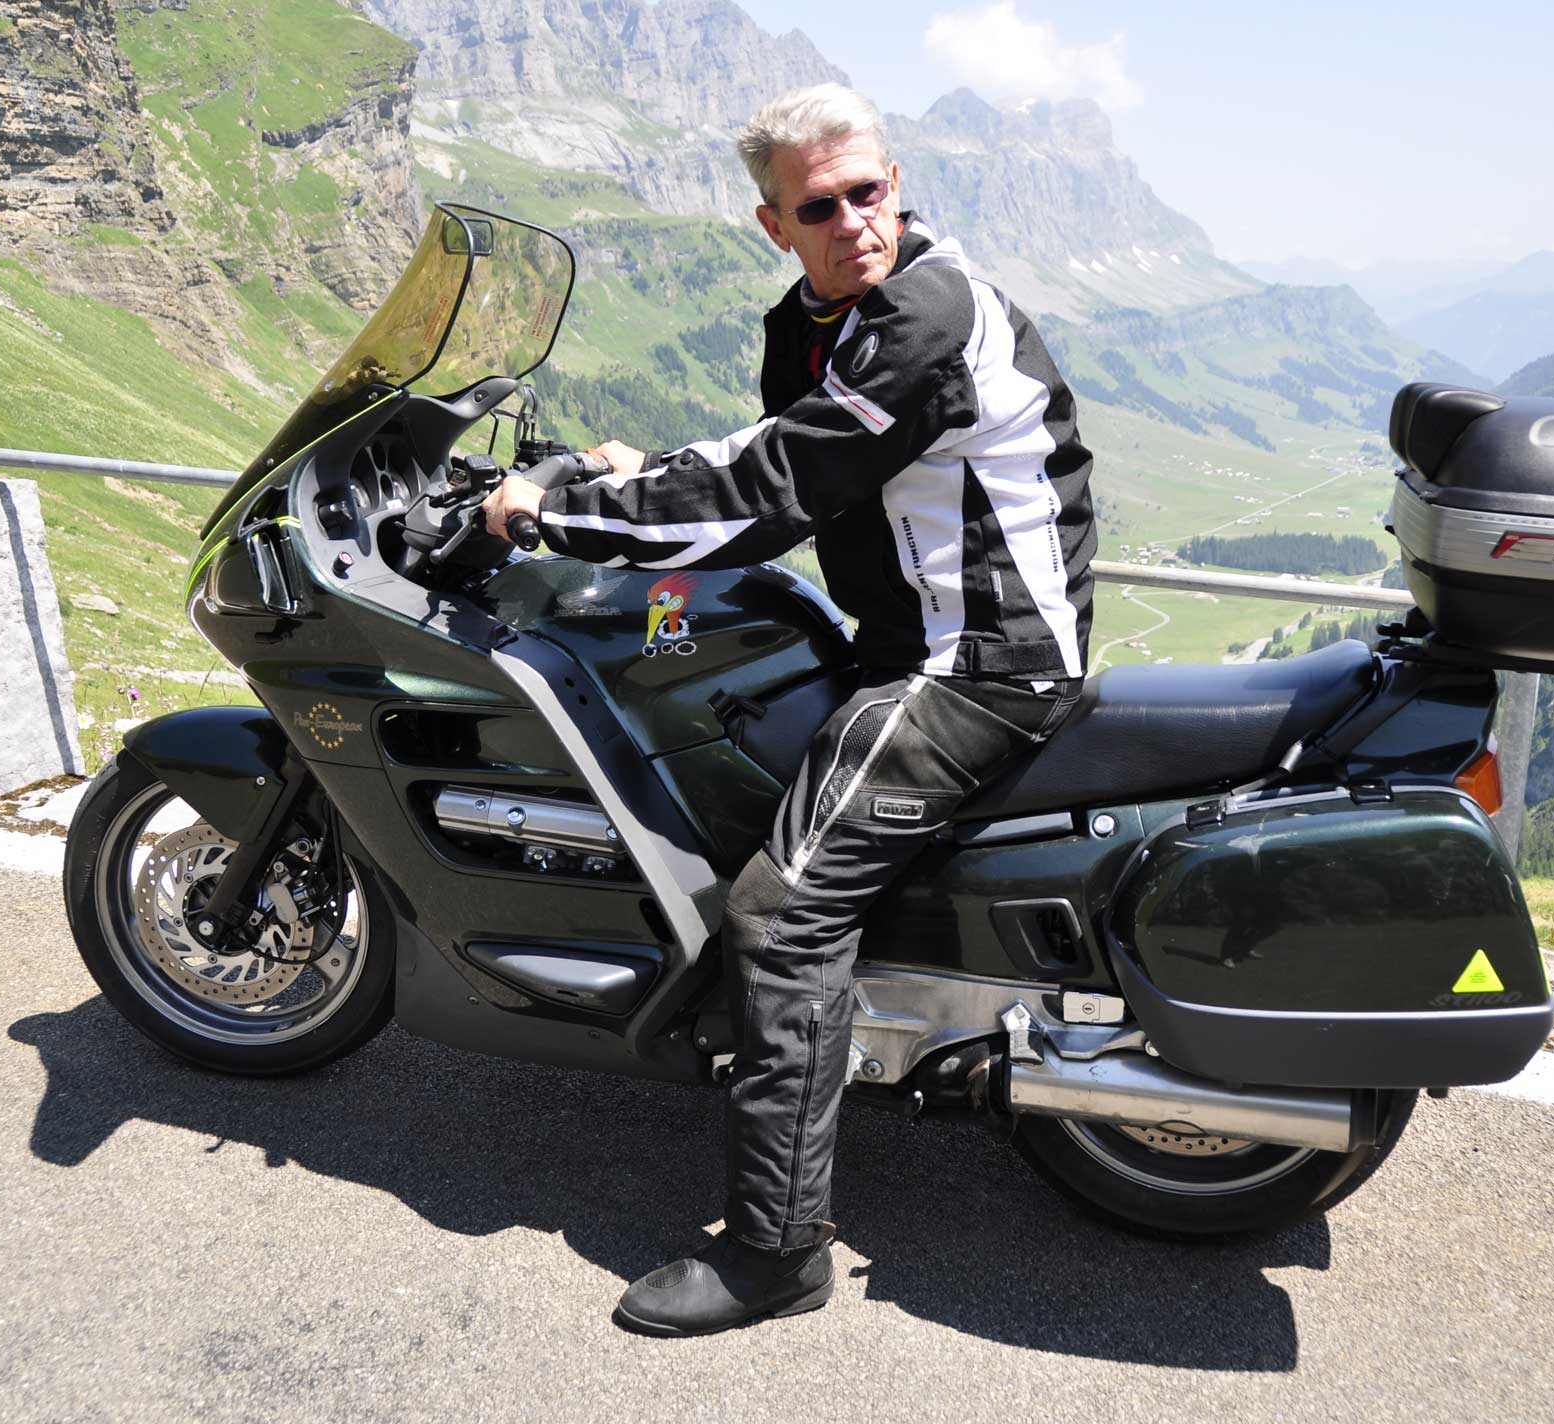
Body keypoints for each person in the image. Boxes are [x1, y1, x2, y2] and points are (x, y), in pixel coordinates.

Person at [483, 82, 1097, 1336]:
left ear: (894, 185)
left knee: (780, 905)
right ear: (777, 223)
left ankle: (776, 1251)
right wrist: (627, 477)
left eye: (867, 192)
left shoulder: (925, 309)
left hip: (976, 660)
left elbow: (779, 472)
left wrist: (547, 511)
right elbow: (780, 479)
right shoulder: (816, 320)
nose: (852, 221)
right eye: (818, 205)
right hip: (906, 640)